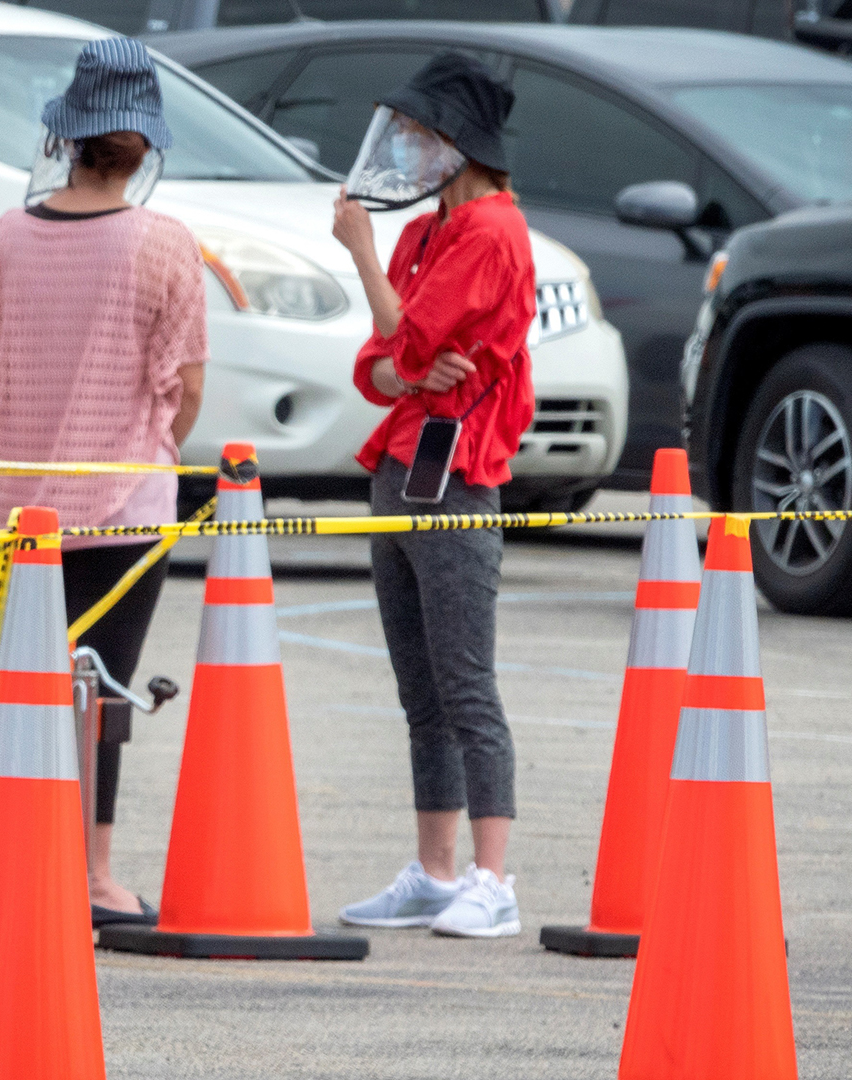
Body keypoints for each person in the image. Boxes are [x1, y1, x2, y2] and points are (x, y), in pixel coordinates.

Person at [0, 38, 205, 929]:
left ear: (67, 139)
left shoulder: (10, 234)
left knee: (25, 682)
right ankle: (95, 871)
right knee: (104, 691)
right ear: (143, 148)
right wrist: (147, 446)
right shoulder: (165, 244)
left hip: (19, 507)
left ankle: (19, 853)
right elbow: (183, 387)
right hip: (125, 506)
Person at [329, 52, 536, 938]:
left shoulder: (491, 231)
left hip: (456, 478)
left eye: (419, 135)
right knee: (421, 691)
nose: (406, 151)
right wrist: (405, 364)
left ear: (459, 143)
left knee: (466, 683)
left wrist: (363, 259)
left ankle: (494, 877)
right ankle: (436, 869)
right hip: (400, 468)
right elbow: (376, 370)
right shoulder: (426, 234)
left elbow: (404, 343)